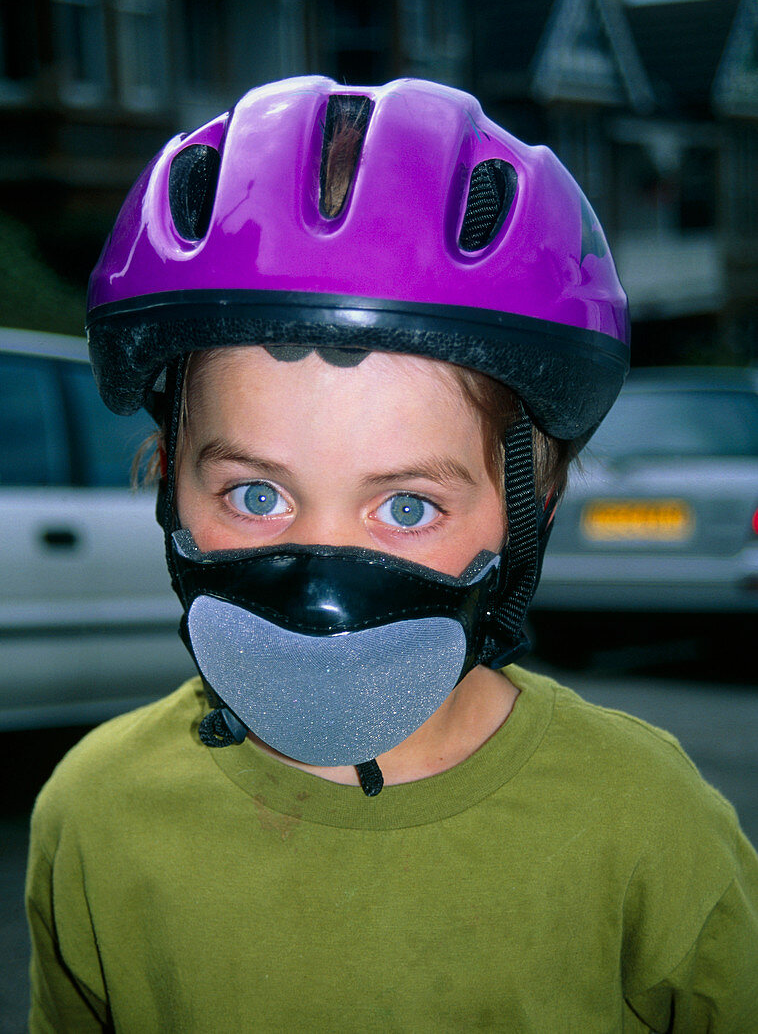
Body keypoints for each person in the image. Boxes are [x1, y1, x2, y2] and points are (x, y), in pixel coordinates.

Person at [26, 77, 758, 1031]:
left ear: (524, 512)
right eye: (257, 495)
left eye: (407, 505)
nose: (321, 586)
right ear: (169, 483)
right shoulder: (95, 813)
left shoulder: (648, 820)